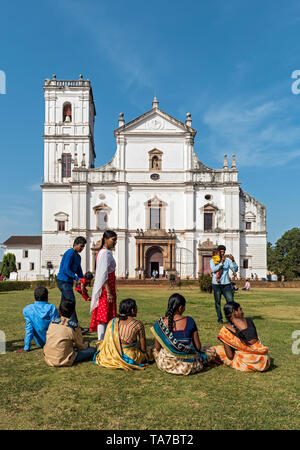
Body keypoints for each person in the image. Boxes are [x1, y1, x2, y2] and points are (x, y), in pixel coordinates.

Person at [151, 294, 217, 375]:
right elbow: (198, 348)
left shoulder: (160, 324)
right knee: (211, 350)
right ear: (180, 308)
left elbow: (157, 348)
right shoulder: (190, 321)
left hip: (166, 364)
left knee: (153, 350)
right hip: (189, 366)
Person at [94, 298, 153, 370]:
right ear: (132, 310)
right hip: (129, 357)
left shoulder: (112, 322)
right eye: (136, 307)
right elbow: (143, 348)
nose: (137, 309)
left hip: (110, 355)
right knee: (150, 351)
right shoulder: (138, 324)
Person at [213, 302, 270, 372]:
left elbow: (230, 356)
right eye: (240, 309)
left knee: (217, 350)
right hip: (264, 361)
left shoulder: (224, 331)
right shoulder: (249, 321)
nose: (243, 312)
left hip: (250, 363)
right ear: (234, 311)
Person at [43, 299, 96, 367]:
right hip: (64, 359)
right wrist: (86, 345)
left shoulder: (52, 323)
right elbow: (80, 346)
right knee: (92, 350)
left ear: (59, 311)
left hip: (48, 357)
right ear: (73, 312)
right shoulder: (74, 326)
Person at [89, 230, 118, 340]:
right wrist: (109, 291)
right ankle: (101, 340)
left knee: (106, 313)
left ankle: (105, 339)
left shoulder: (104, 252)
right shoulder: (105, 253)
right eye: (113, 240)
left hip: (108, 286)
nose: (115, 242)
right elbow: (103, 273)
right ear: (106, 239)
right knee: (103, 314)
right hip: (106, 288)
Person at [15, 286, 59, 353]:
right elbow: (56, 327)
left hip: (41, 342)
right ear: (47, 296)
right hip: (53, 342)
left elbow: (29, 329)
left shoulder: (27, 309)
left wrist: (26, 347)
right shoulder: (52, 308)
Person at [57, 236, 87, 323]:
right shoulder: (70, 253)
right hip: (63, 281)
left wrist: (82, 280)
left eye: (83, 247)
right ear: (75, 244)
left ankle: (58, 322)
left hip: (68, 282)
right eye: (81, 246)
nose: (82, 248)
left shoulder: (78, 257)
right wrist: (76, 278)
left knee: (64, 303)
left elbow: (79, 270)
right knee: (71, 302)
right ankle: (75, 325)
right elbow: (66, 269)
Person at [210, 245, 238, 325]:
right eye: (221, 251)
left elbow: (234, 269)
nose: (222, 253)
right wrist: (221, 264)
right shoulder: (213, 260)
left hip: (226, 284)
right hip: (216, 284)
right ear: (218, 252)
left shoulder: (228, 261)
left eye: (223, 251)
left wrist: (233, 261)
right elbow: (214, 269)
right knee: (217, 302)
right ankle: (220, 319)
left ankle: (231, 319)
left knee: (230, 302)